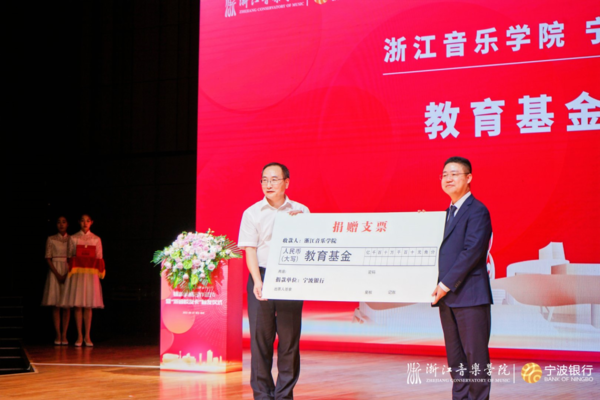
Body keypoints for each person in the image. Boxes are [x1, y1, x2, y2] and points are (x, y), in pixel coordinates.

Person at [238, 162, 309, 400]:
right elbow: (250, 249)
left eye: (274, 179)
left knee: (289, 341)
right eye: (264, 180)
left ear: (286, 183)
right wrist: (257, 281)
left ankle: (284, 395)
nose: (268, 184)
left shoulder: (301, 210)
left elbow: (310, 244)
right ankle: (262, 395)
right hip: (262, 275)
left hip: (291, 277)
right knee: (261, 340)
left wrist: (302, 224)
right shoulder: (252, 213)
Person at [431, 156, 493, 400]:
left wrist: (445, 285)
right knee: (456, 361)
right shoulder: (446, 215)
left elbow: (472, 252)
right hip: (447, 299)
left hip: (470, 296)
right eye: (444, 174)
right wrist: (422, 227)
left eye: (454, 174)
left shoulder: (477, 211)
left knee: (476, 360)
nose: (448, 178)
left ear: (469, 178)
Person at [61, 214, 105, 347]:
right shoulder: (74, 238)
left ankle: (87, 335)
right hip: (78, 274)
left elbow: (99, 257)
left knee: (88, 306)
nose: (85, 223)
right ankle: (79, 335)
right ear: (79, 222)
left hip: (90, 275)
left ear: (91, 222)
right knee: (78, 305)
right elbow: (70, 256)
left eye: (87, 221)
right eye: (82, 221)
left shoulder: (96, 239)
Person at [42, 216, 71, 345]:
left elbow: (73, 257)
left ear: (67, 224)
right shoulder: (51, 239)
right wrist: (58, 274)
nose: (61, 224)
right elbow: (48, 257)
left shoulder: (72, 239)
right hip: (55, 270)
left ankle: (64, 334)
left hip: (68, 270)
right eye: (58, 222)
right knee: (56, 304)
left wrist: (67, 273)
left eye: (63, 222)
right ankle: (58, 334)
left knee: (66, 305)